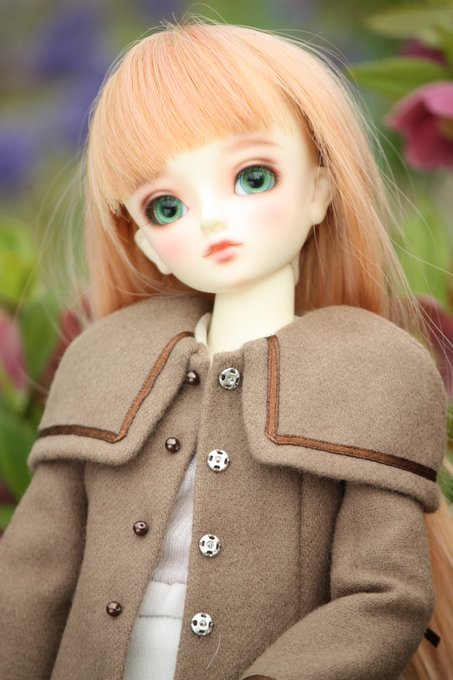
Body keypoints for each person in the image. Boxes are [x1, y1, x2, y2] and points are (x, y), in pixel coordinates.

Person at [0, 19, 448, 680]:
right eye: (166, 207)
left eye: (254, 177)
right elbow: (31, 572)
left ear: (320, 189)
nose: (211, 219)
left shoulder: (369, 373)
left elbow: (384, 596)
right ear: (144, 243)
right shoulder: (104, 363)